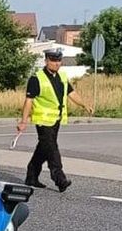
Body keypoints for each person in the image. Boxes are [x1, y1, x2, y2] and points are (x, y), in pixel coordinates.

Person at [16, 48, 94, 192]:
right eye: (53, 60)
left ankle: (31, 176)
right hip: (43, 121)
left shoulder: (62, 77)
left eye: (59, 60)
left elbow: (72, 93)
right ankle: (59, 178)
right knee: (52, 149)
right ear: (46, 61)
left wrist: (84, 105)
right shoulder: (36, 78)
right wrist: (23, 121)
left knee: (43, 148)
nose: (57, 63)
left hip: (56, 120)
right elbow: (28, 101)